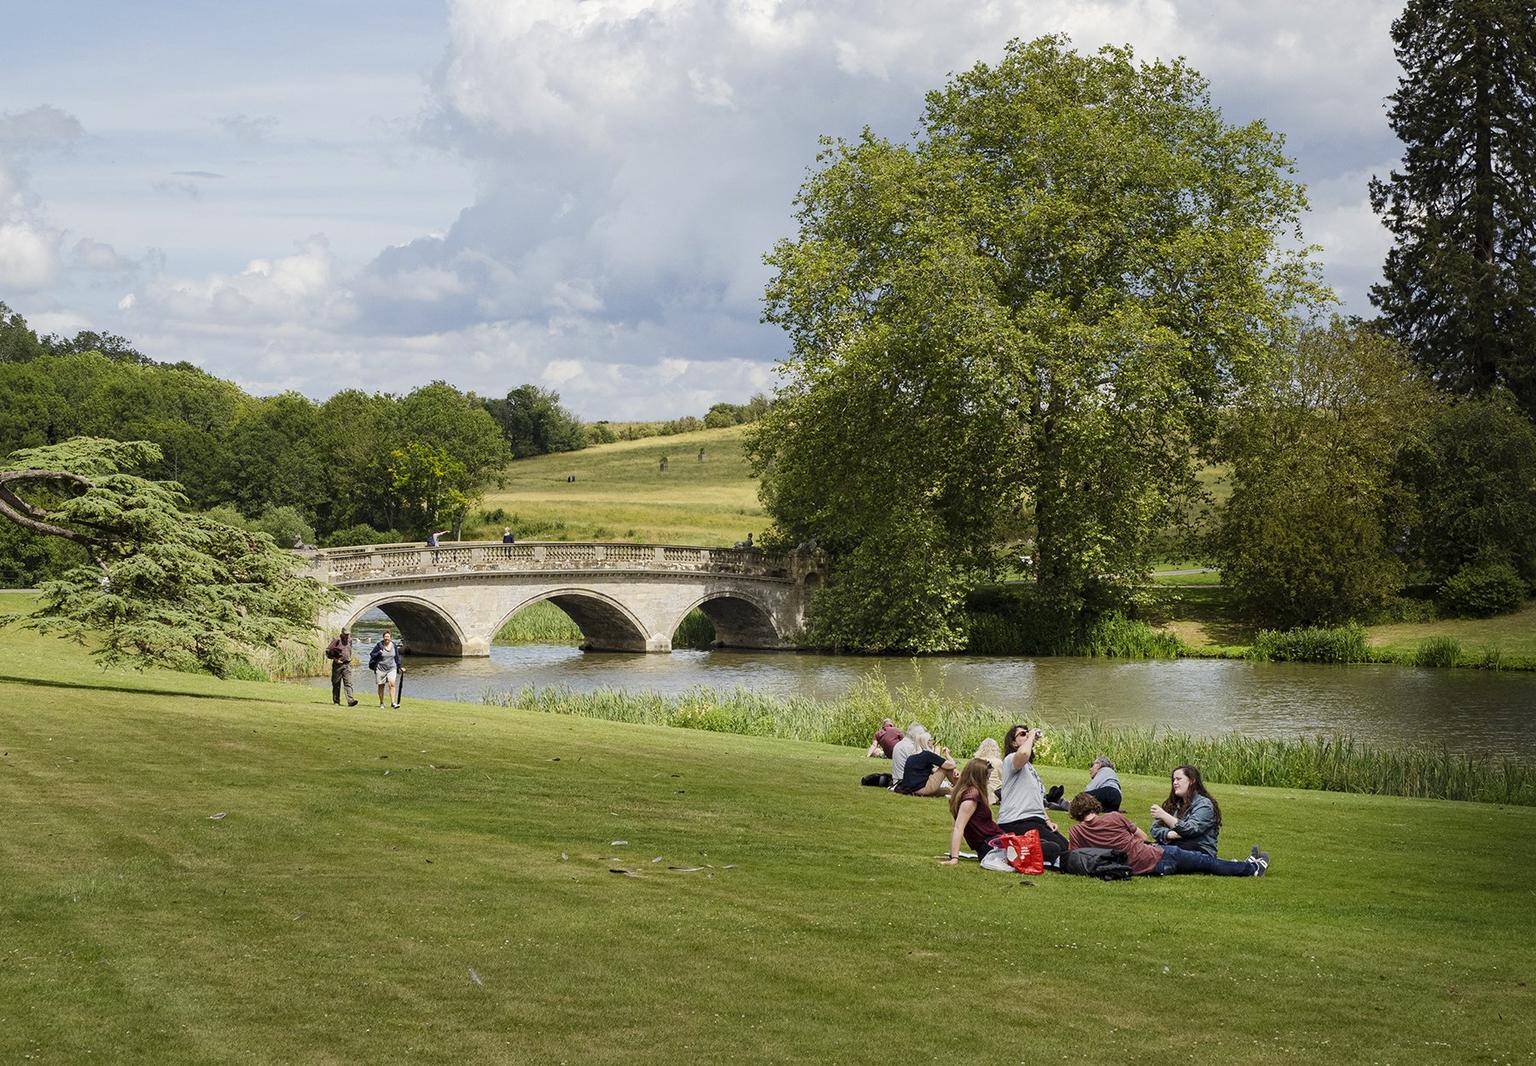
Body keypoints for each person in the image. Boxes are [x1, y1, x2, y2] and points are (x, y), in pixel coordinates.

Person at [1068, 792, 1267, 877]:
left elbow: (1077, 855)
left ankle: (1243, 863)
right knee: (1206, 862)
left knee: (1200, 865)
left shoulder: (1076, 831)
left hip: (1132, 867)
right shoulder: (1113, 817)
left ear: (1076, 814)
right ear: (1094, 805)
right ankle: (1252, 869)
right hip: (1155, 856)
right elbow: (1143, 837)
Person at [996, 724, 1069, 865]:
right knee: (1056, 848)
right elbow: (1023, 754)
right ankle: (1018, 848)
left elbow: (1036, 799)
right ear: (1013, 742)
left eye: (1027, 733)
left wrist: (1047, 820)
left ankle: (1024, 846)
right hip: (1016, 821)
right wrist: (1031, 737)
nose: (1027, 735)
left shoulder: (1030, 768)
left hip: (1034, 820)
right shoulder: (1011, 759)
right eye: (1022, 734)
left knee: (1064, 845)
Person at [1150, 765, 1224, 857]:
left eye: (1179, 779)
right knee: (1145, 848)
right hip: (1177, 845)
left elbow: (1191, 829)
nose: (1175, 783)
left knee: (1160, 851)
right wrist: (1169, 834)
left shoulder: (1204, 805)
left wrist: (1164, 815)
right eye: (1174, 780)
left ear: (1192, 781)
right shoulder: (1173, 804)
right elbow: (1154, 829)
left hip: (1200, 850)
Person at [940, 759, 1004, 864]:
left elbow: (955, 827)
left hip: (991, 843)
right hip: (991, 844)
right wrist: (954, 858)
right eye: (987, 777)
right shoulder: (972, 797)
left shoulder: (963, 794)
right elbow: (958, 827)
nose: (988, 780)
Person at [894, 730, 957, 796]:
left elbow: (933, 770)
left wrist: (952, 770)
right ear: (927, 742)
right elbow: (952, 765)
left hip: (912, 790)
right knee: (946, 768)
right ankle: (962, 787)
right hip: (922, 789)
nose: (933, 742)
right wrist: (947, 755)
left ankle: (957, 790)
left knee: (948, 790)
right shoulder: (927, 755)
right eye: (931, 740)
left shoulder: (911, 757)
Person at [368, 630, 404, 709]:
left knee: (392, 684)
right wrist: (378, 653)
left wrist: (400, 667)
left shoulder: (394, 645)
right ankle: (381, 703)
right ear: (383, 637)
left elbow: (397, 657)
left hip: (392, 668)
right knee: (381, 685)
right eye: (385, 637)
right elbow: (372, 654)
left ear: (390, 638)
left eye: (388, 637)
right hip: (380, 668)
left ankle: (393, 703)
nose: (386, 638)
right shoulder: (379, 645)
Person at [324, 628, 359, 706]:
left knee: (348, 683)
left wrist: (349, 657)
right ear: (342, 633)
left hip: (347, 665)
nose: (347, 636)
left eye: (348, 634)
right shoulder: (336, 640)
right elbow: (327, 651)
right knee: (336, 683)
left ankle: (350, 701)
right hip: (337, 665)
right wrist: (335, 659)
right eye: (345, 634)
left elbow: (349, 649)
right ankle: (336, 701)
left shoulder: (350, 640)